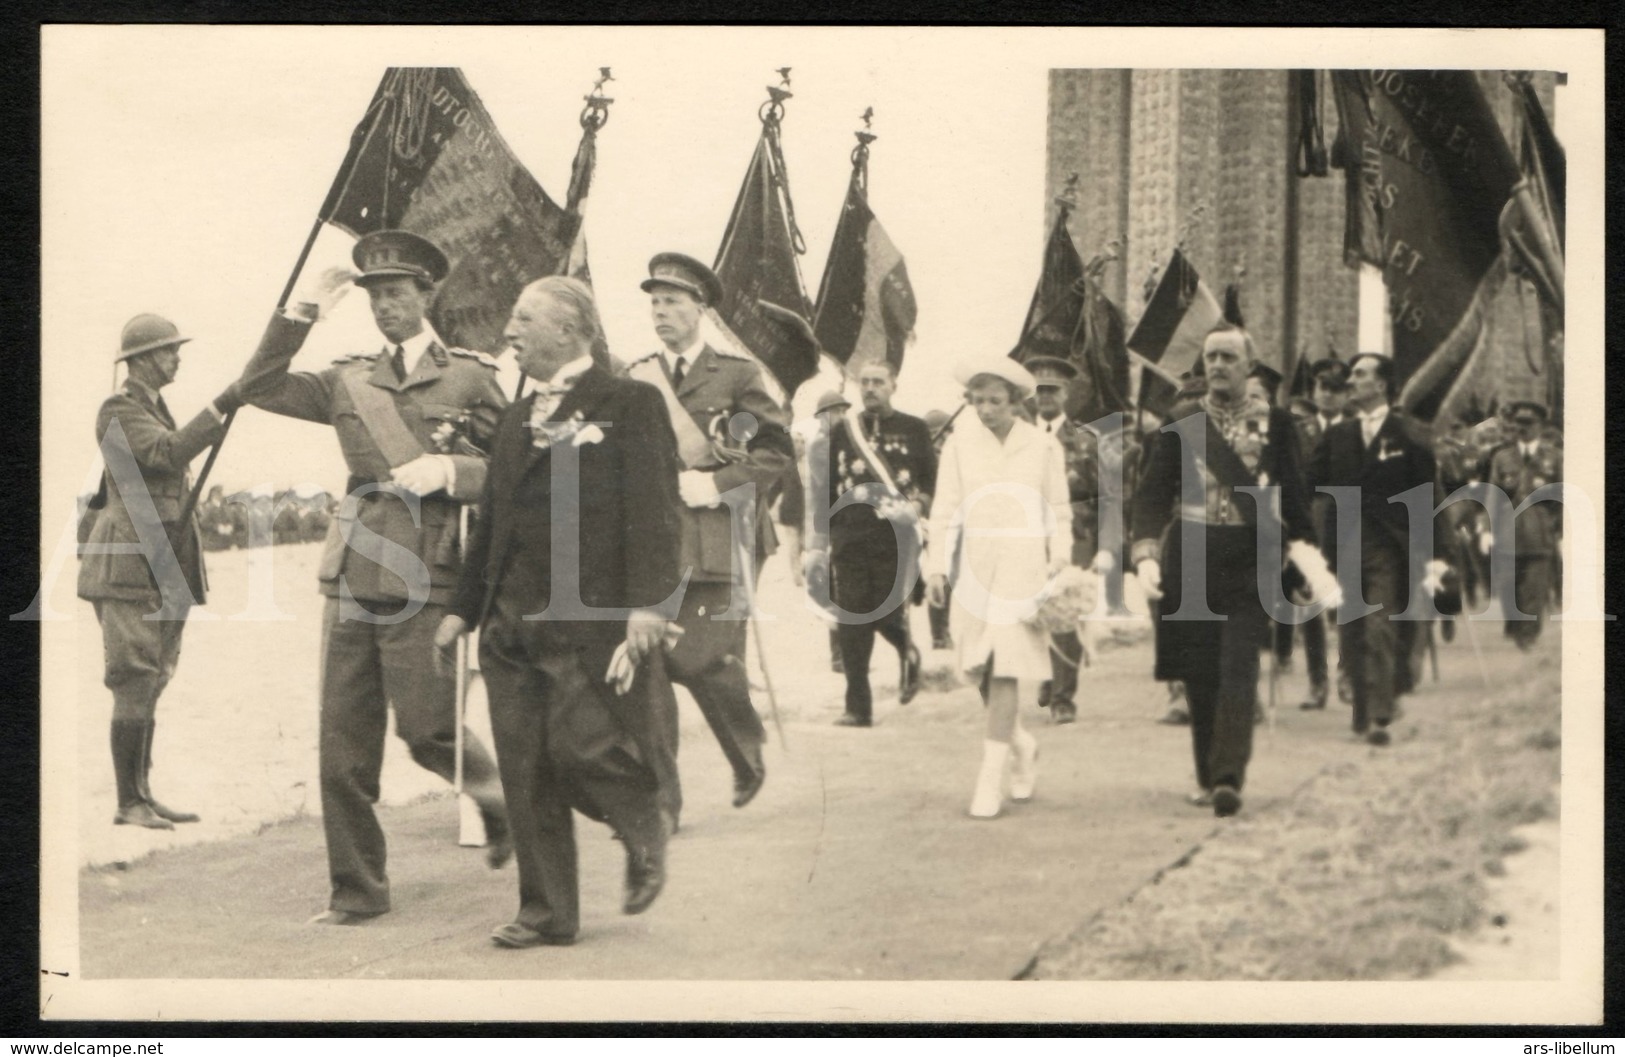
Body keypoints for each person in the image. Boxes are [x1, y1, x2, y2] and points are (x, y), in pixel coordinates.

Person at [235, 231, 510, 925]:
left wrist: (452, 470)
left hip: (425, 573)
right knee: (341, 746)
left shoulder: (470, 377)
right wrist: (299, 314)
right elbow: (258, 387)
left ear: (426, 296)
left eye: (396, 293)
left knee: (427, 731)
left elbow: (519, 467)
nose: (384, 306)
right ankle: (357, 890)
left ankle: (499, 797)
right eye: (374, 296)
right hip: (352, 571)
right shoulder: (346, 376)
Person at [434, 277, 682, 948]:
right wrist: (461, 609)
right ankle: (546, 911)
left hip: (588, 618)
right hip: (508, 619)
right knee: (523, 765)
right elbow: (491, 524)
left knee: (579, 747)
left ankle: (641, 818)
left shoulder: (629, 402)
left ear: (567, 330)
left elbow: (658, 512)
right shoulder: (516, 417)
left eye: (523, 318)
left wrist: (650, 605)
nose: (509, 330)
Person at [1131, 325, 1333, 817]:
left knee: (1240, 666)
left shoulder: (1279, 424)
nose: (1217, 365)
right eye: (1211, 356)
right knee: (1199, 672)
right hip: (1192, 555)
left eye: (1228, 357)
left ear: (1249, 366)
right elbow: (1153, 493)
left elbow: (1295, 493)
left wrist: (1305, 553)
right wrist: (1144, 554)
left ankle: (1228, 777)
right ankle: (1206, 773)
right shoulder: (1181, 421)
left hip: (1251, 557)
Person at [620, 252, 794, 813]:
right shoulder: (635, 375)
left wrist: (718, 485)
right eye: (654, 302)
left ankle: (747, 752)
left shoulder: (739, 374)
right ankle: (662, 802)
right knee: (646, 665)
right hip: (652, 540)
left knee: (700, 660)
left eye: (672, 301)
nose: (661, 312)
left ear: (701, 308)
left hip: (717, 539)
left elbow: (775, 455)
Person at [78, 314, 245, 829]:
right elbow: (164, 453)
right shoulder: (119, 409)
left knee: (155, 677)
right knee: (134, 676)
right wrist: (221, 405)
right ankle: (128, 802)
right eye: (170, 350)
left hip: (160, 562)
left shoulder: (152, 408)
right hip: (130, 565)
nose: (177, 358)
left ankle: (142, 794)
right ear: (145, 358)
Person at [926, 356, 1071, 819]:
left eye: (995, 400)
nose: (985, 409)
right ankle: (1022, 743)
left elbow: (1059, 510)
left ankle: (989, 781)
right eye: (977, 400)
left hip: (1024, 569)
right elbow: (945, 510)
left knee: (1006, 664)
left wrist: (1059, 559)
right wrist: (935, 568)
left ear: (1015, 401)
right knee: (979, 668)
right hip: (975, 567)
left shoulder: (1042, 447)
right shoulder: (959, 446)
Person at [1306, 352, 1452, 744]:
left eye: (1359, 374)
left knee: (1380, 626)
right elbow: (1307, 483)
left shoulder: (1409, 434)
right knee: (1351, 632)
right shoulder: (1337, 436)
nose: (1350, 381)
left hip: (1392, 547)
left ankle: (1379, 715)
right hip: (1344, 547)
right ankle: (1362, 714)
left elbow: (1429, 498)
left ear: (1382, 384)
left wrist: (1439, 556)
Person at [804, 362, 936, 727]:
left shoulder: (914, 429)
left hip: (896, 538)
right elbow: (825, 491)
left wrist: (918, 505)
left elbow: (929, 479)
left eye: (878, 381)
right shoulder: (844, 432)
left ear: (894, 384)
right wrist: (819, 544)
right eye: (865, 382)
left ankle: (907, 650)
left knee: (885, 611)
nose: (871, 388)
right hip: (850, 536)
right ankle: (858, 707)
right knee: (851, 618)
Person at [1025, 355, 1118, 724]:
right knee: (1032, 611)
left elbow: (1108, 497)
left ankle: (1064, 696)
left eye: (1054, 390)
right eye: (1040, 390)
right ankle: (1048, 676)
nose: (1046, 397)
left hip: (1076, 535)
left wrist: (1107, 547)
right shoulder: (1019, 438)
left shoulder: (1086, 441)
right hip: (1029, 537)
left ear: (1067, 393)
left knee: (1065, 613)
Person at [1295, 357, 1352, 710]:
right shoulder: (1298, 430)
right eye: (1322, 388)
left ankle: (1347, 674)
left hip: (1348, 520)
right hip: (1309, 520)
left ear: (1347, 394)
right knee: (1309, 603)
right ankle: (1317, 681)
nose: (1328, 396)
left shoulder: (1358, 430)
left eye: (1335, 389)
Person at [1485, 400, 1562, 650]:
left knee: (1534, 590)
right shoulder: (1502, 457)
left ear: (1540, 426)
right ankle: (1515, 624)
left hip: (1540, 534)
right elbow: (1493, 495)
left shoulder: (1554, 457)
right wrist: (1486, 529)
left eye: (1528, 423)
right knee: (1507, 586)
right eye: (1519, 423)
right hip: (1508, 533)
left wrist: (1559, 529)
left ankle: (1528, 635)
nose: (1523, 428)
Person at [922, 408, 956, 650]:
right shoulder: (925, 460)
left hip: (954, 523)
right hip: (930, 524)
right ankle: (938, 633)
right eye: (935, 434)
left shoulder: (955, 456)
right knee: (936, 576)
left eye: (944, 433)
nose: (941, 439)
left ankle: (946, 628)